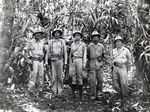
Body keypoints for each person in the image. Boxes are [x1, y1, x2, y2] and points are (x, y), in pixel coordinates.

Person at [45, 28, 67, 97]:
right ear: (53, 34)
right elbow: (47, 52)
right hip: (53, 60)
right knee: (54, 76)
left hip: (60, 59)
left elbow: (65, 52)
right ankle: (54, 92)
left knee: (60, 75)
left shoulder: (62, 41)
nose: (57, 34)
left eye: (58, 33)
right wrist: (46, 62)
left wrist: (65, 62)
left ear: (60, 34)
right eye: (55, 33)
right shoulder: (51, 42)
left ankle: (60, 92)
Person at [24, 25, 45, 95]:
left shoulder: (42, 42)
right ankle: (30, 90)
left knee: (41, 75)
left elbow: (45, 51)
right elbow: (24, 51)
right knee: (33, 75)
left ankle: (40, 90)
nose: (38, 35)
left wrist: (43, 56)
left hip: (40, 61)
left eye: (40, 34)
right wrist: (28, 60)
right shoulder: (31, 42)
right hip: (34, 61)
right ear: (34, 35)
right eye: (37, 33)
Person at [87, 31, 105, 100]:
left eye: (96, 37)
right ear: (92, 38)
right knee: (93, 81)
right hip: (92, 64)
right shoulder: (89, 46)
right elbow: (88, 55)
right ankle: (93, 95)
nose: (95, 38)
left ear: (98, 38)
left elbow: (103, 54)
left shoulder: (101, 46)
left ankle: (99, 95)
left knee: (100, 80)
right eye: (94, 37)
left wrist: (100, 59)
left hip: (99, 64)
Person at [69, 30, 87, 102]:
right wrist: (70, 62)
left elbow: (84, 54)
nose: (77, 37)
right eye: (76, 35)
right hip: (73, 60)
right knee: (73, 76)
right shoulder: (72, 44)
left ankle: (81, 95)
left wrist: (84, 63)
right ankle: (73, 94)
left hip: (80, 60)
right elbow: (71, 54)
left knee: (79, 77)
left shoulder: (82, 44)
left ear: (80, 37)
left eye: (78, 35)